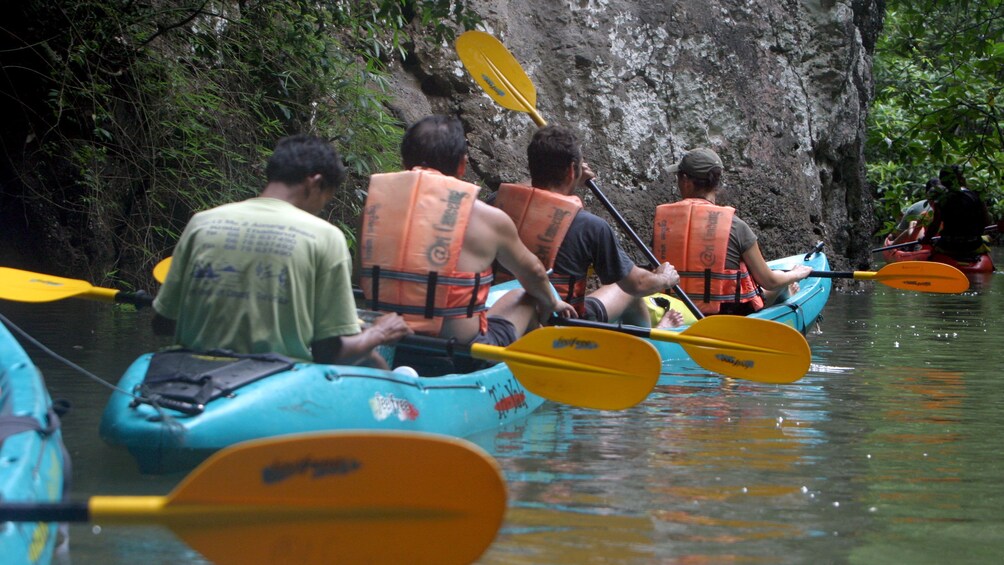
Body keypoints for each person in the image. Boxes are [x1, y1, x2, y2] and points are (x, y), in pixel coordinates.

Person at [153, 135, 411, 369]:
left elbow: (162, 323)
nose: (321, 209)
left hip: (185, 371)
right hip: (270, 379)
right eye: (326, 198)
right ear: (315, 182)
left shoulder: (202, 222)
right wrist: (378, 333)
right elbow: (329, 353)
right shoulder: (324, 236)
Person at [357, 115, 573, 372]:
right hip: (459, 356)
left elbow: (361, 276)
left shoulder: (372, 214)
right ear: (462, 165)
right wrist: (552, 303)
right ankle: (517, 383)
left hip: (390, 348)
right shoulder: (488, 218)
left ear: (405, 161)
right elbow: (535, 273)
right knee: (526, 296)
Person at [492, 125, 683, 327]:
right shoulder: (591, 227)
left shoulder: (495, 203)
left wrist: (567, 174)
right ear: (571, 170)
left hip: (501, 314)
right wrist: (664, 278)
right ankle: (655, 341)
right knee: (628, 294)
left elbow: (532, 190)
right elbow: (638, 284)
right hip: (561, 323)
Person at [652, 147, 812, 316]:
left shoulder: (662, 223)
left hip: (674, 313)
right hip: (728, 316)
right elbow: (769, 281)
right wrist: (796, 274)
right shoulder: (735, 225)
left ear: (685, 181)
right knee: (780, 281)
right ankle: (788, 292)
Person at [921, 165, 992, 258]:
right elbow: (987, 223)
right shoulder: (976, 195)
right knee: (988, 238)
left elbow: (935, 226)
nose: (964, 178)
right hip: (974, 246)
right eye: (962, 176)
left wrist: (925, 239)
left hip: (948, 247)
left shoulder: (941, 199)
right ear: (959, 179)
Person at [888, 178, 941, 246]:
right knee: (912, 224)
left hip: (931, 247)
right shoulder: (952, 207)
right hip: (937, 245)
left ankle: (892, 244)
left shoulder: (925, 214)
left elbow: (912, 240)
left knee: (911, 224)